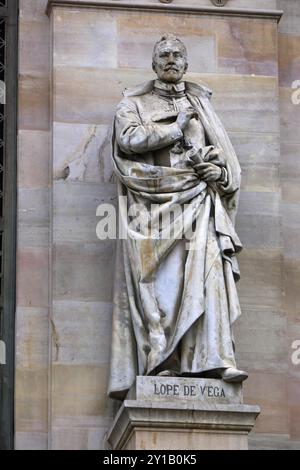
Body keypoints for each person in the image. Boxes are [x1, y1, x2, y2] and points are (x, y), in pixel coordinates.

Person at [108, 34, 247, 400]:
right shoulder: (133, 103)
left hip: (200, 201)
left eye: (177, 55)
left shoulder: (202, 104)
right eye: (164, 55)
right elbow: (128, 141)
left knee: (210, 276)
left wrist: (220, 173)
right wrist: (176, 125)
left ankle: (216, 357)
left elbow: (228, 162)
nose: (170, 59)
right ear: (154, 64)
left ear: (185, 63)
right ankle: (162, 360)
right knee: (163, 289)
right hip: (154, 210)